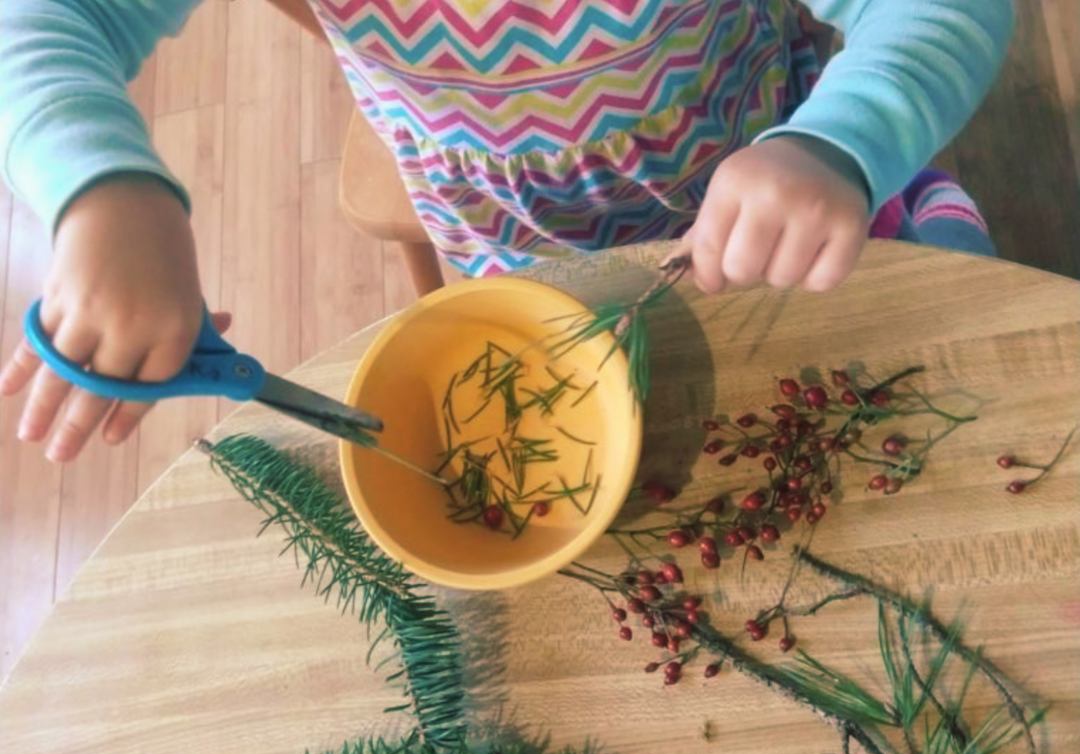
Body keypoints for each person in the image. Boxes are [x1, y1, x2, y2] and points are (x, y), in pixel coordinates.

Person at [0, 0, 1013, 462]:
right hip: (519, 261)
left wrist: (841, 143)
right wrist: (102, 191)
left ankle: (908, 192)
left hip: (777, 185)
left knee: (949, 379)